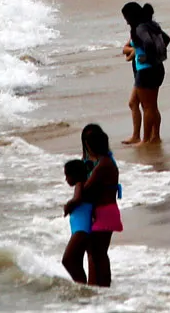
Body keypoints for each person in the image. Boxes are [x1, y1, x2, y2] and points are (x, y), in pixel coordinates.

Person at [61, 123, 119, 286]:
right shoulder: (99, 161)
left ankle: (102, 287)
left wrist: (76, 191)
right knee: (95, 253)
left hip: (105, 211)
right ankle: (96, 288)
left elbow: (86, 189)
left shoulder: (103, 164)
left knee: (98, 254)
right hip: (100, 211)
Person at [122, 1, 167, 144]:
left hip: (146, 70)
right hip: (156, 68)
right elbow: (165, 39)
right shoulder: (151, 25)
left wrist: (145, 57)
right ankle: (153, 137)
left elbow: (147, 43)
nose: (126, 21)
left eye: (126, 18)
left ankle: (146, 139)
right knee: (146, 105)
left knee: (148, 107)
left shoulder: (140, 29)